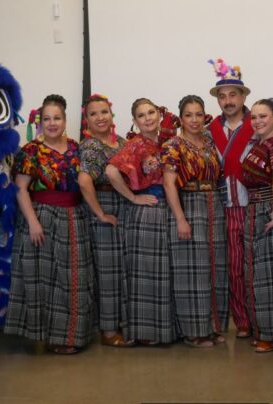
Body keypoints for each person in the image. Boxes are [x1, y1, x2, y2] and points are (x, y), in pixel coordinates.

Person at [5, 94, 95, 355]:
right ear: (40, 122)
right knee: (47, 280)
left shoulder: (78, 148)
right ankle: (52, 337)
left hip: (75, 216)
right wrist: (33, 223)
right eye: (47, 119)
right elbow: (20, 189)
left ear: (65, 120)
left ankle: (74, 336)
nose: (52, 123)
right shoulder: (31, 150)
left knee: (75, 278)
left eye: (57, 118)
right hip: (42, 216)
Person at [106, 98, 176, 345]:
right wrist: (133, 198)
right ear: (135, 122)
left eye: (151, 112)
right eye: (141, 115)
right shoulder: (136, 145)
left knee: (164, 273)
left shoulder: (167, 143)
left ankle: (163, 331)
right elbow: (111, 171)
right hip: (146, 212)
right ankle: (145, 333)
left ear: (159, 114)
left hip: (166, 209)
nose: (147, 118)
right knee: (144, 273)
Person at [161, 95, 229, 347]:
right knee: (192, 272)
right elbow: (169, 183)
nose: (194, 119)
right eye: (188, 115)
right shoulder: (172, 145)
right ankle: (194, 331)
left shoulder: (210, 144)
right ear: (181, 118)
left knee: (215, 268)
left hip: (213, 205)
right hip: (188, 205)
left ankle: (213, 326)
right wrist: (180, 218)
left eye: (198, 114)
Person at [78, 94, 133, 347]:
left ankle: (122, 322)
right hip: (104, 206)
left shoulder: (121, 142)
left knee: (123, 268)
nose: (100, 118)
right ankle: (109, 330)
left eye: (104, 112)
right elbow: (84, 180)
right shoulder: (90, 146)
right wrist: (100, 213)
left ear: (111, 115)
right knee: (108, 270)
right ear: (86, 119)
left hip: (124, 206)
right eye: (93, 114)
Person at [238, 98, 273, 353]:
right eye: (254, 117)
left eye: (263, 116)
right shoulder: (259, 143)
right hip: (255, 210)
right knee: (256, 273)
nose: (258, 121)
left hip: (268, 212)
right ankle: (263, 330)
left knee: (270, 276)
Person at [207, 58, 256, 337]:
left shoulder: (258, 122)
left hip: (253, 204)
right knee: (232, 266)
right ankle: (242, 322)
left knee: (255, 264)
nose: (228, 101)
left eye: (233, 95)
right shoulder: (210, 129)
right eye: (222, 96)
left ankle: (262, 318)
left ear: (243, 96)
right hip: (222, 207)